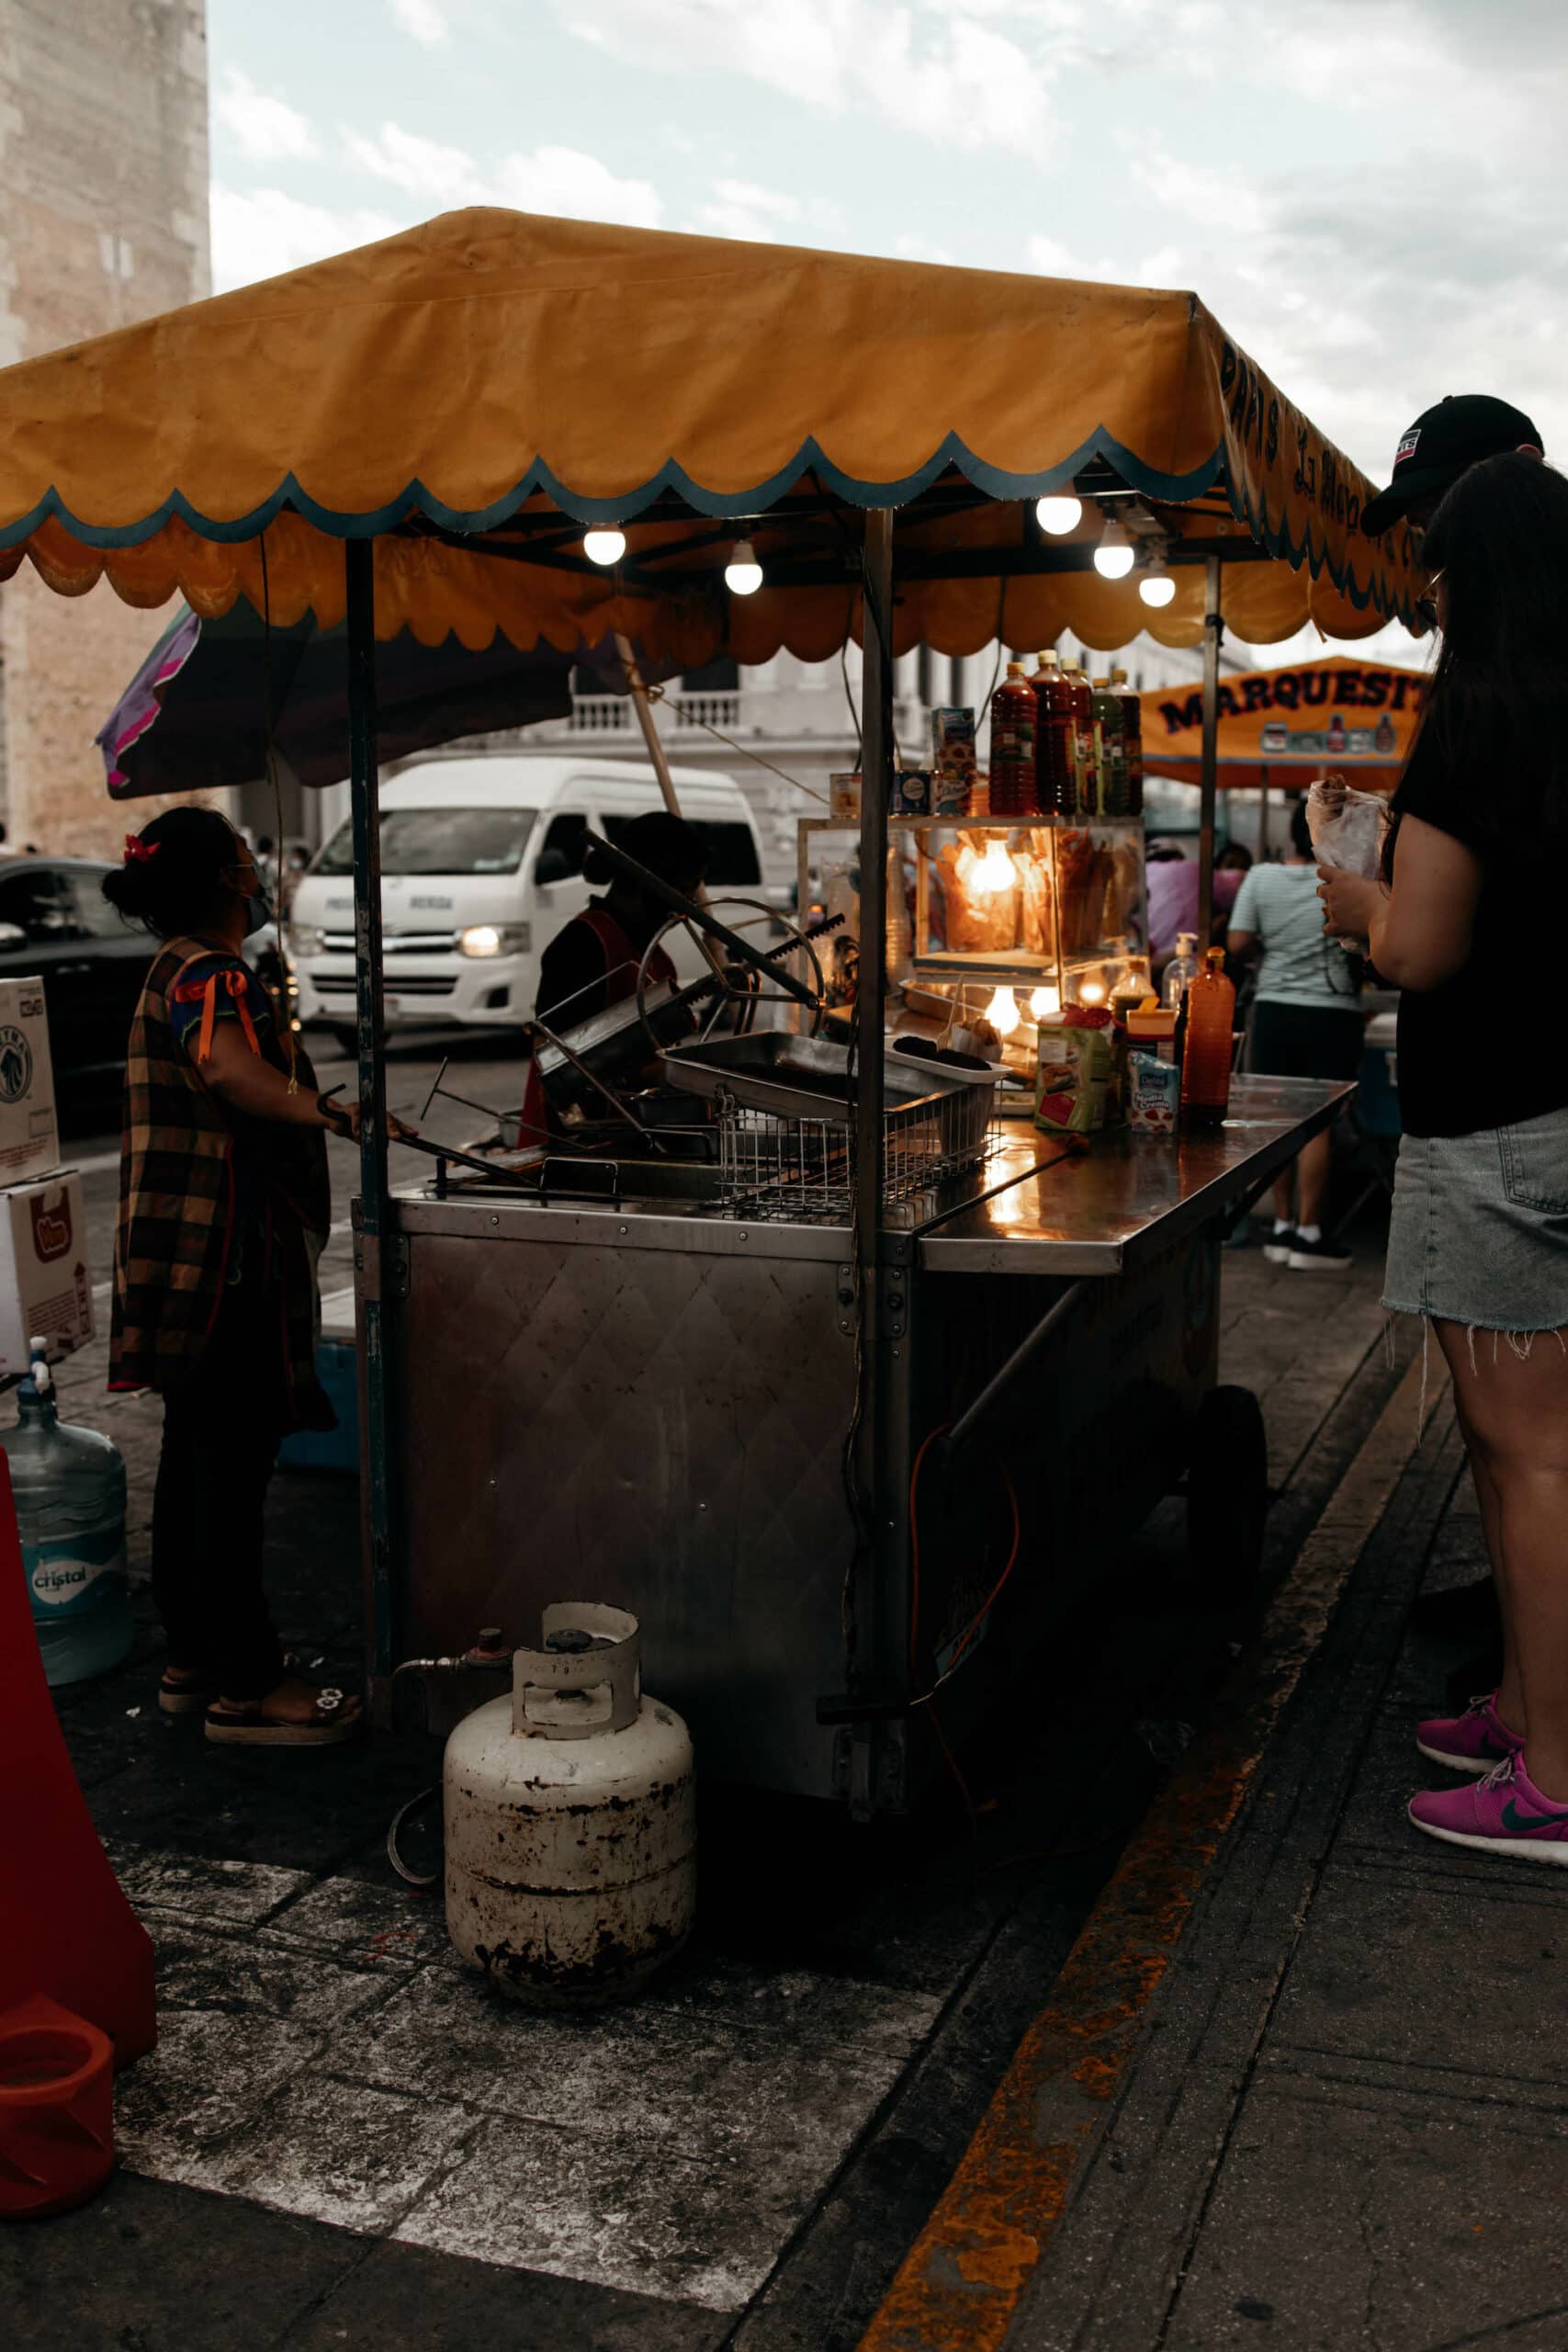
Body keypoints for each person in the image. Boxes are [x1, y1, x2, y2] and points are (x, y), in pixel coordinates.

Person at [1319, 452, 1568, 1866]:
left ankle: (1547, 1769)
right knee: (1522, 1449)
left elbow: (1420, 948)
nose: (1425, 590)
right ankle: (1525, 1707)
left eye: (1436, 566)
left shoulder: (1473, 716)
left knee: (1525, 1455)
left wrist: (1358, 899)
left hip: (1497, 1128)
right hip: (1547, 1111)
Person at [104, 808, 373, 1747]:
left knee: (192, 1460)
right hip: (228, 1260)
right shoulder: (210, 969)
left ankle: (192, 1661)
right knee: (229, 1472)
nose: (261, 869)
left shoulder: (170, 963)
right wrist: (329, 1110)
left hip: (181, 1257)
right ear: (227, 878)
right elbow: (227, 1069)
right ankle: (252, 1687)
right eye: (250, 856)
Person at [1228, 803, 1363, 1271]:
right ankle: (1309, 1234)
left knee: (1275, 1122)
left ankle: (1281, 1226)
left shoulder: (1260, 878)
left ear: (1290, 835)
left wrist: (1277, 943)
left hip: (1274, 1010)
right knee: (1318, 1122)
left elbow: (1238, 942)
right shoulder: (1343, 879)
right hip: (1332, 1012)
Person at [536, 809, 710, 1026]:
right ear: (648, 880)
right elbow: (550, 1050)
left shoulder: (657, 958)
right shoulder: (580, 946)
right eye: (683, 889)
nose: (690, 902)